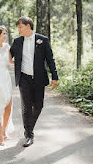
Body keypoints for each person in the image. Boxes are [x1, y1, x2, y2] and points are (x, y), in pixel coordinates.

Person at [10, 16, 58, 147]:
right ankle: (29, 134)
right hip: (24, 78)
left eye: (20, 27)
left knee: (38, 106)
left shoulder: (42, 40)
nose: (18, 30)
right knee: (26, 107)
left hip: (38, 78)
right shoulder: (17, 41)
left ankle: (29, 127)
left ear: (28, 26)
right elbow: (8, 53)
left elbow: (50, 59)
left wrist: (55, 77)